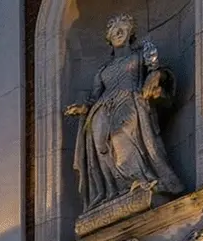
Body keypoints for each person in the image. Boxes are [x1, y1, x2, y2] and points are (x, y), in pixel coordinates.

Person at [64, 13, 183, 213]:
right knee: (101, 145)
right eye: (114, 31)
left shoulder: (139, 55)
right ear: (108, 38)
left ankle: (140, 179)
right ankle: (116, 191)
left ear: (130, 33)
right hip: (101, 108)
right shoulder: (102, 70)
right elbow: (93, 98)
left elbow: (158, 70)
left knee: (121, 135)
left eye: (123, 30)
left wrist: (154, 78)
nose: (118, 33)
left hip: (129, 100)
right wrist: (82, 108)